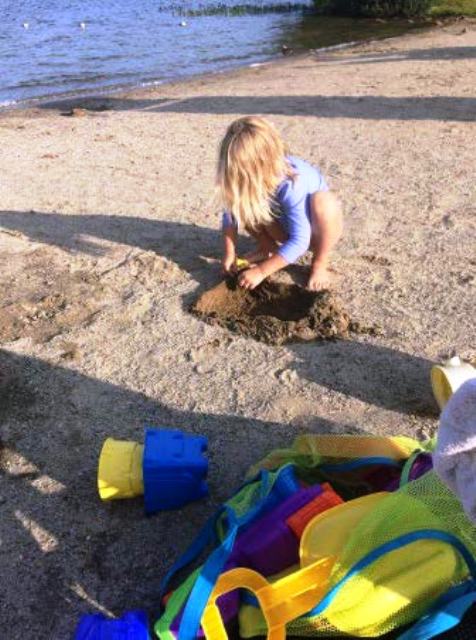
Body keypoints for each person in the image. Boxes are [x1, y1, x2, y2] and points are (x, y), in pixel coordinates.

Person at [216, 116, 342, 291]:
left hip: (315, 232)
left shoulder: (291, 184)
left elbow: (300, 241)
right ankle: (268, 249)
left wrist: (261, 271)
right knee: (245, 203)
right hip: (281, 226)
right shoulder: (253, 179)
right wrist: (230, 252)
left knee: (324, 202)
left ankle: (320, 262)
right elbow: (232, 213)